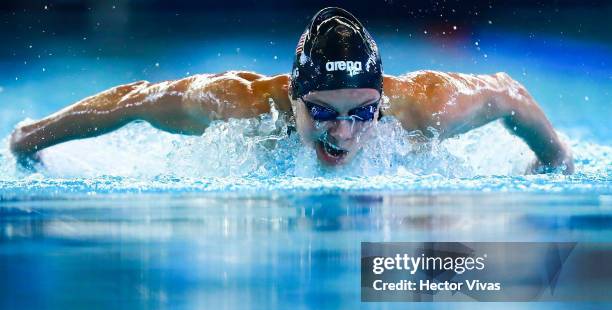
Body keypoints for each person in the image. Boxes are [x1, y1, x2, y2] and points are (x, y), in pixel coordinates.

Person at [9, 7, 573, 173]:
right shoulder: (239, 104)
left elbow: (510, 94)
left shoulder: (426, 107)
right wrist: (31, 137)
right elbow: (134, 100)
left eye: (363, 112)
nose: (345, 132)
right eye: (324, 111)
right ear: (294, 97)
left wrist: (555, 159)